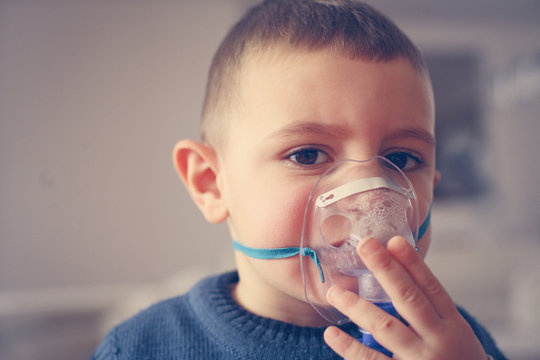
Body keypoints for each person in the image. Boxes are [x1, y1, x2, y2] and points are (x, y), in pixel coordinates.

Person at [91, 1, 507, 359]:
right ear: (211, 184)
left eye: (401, 158)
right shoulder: (141, 348)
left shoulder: (456, 343)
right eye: (307, 155)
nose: (369, 198)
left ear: (432, 186)